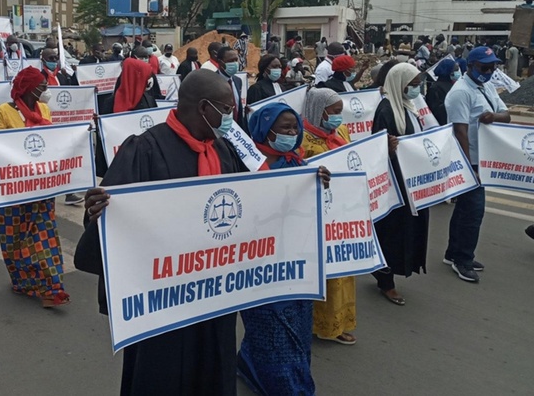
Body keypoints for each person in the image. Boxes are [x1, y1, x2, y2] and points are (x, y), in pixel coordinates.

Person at [77, 70, 248, 395]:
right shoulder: (145, 150)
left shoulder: (221, 150)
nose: (230, 118)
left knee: (214, 367)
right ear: (203, 108)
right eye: (226, 110)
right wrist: (95, 212)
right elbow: (113, 220)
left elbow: (254, 200)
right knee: (163, 374)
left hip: (214, 291)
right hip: (165, 298)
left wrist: (307, 182)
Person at [238, 102, 329, 395]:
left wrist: (319, 181)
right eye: (284, 128)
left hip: (296, 265)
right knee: (272, 334)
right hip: (259, 267)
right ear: (266, 130)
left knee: (297, 332)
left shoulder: (297, 164)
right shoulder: (244, 164)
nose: (292, 133)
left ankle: (249, 365)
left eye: (294, 127)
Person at [0, 66, 70, 308]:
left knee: (44, 237)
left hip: (41, 188)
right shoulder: (3, 112)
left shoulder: (44, 109)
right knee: (15, 238)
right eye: (42, 86)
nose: (46, 90)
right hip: (14, 190)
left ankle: (52, 287)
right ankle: (23, 281)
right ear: (29, 89)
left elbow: (54, 141)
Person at [444, 46, 510, 283]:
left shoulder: (487, 86)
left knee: (464, 209)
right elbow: (460, 132)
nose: (490, 71)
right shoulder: (461, 93)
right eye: (485, 67)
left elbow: (506, 114)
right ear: (470, 66)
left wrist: (494, 116)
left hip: (484, 159)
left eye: (493, 66)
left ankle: (453, 253)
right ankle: (463, 260)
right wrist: (468, 168)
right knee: (474, 212)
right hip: (469, 161)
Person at [300, 87, 358, 345]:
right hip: (314, 216)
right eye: (334, 113)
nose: (338, 118)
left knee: (341, 271)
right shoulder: (301, 139)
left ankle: (335, 322)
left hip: (341, 213)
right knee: (321, 272)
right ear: (318, 110)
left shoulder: (341, 132)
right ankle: (319, 324)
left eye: (340, 113)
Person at [370, 63, 425, 304]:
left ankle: (390, 272)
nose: (416, 89)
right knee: (392, 231)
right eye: (411, 85)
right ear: (399, 84)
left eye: (417, 84)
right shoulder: (386, 110)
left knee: (407, 229)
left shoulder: (408, 106)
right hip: (395, 182)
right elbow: (378, 148)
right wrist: (390, 150)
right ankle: (385, 280)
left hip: (411, 179)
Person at [39, 48, 84, 206]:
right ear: (43, 59)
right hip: (44, 123)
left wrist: (73, 77)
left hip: (62, 125)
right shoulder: (39, 77)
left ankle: (69, 193)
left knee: (63, 158)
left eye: (56, 58)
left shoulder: (61, 76)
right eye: (51, 58)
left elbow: (73, 94)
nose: (54, 61)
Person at [214, 47, 246, 131]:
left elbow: (238, 108)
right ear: (220, 62)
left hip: (236, 132)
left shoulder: (237, 81)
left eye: (236, 60)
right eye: (231, 61)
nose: (235, 63)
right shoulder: (212, 81)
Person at [427, 59, 460, 126]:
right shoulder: (435, 88)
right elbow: (435, 110)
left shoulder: (453, 85)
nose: (458, 73)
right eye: (456, 70)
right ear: (449, 71)